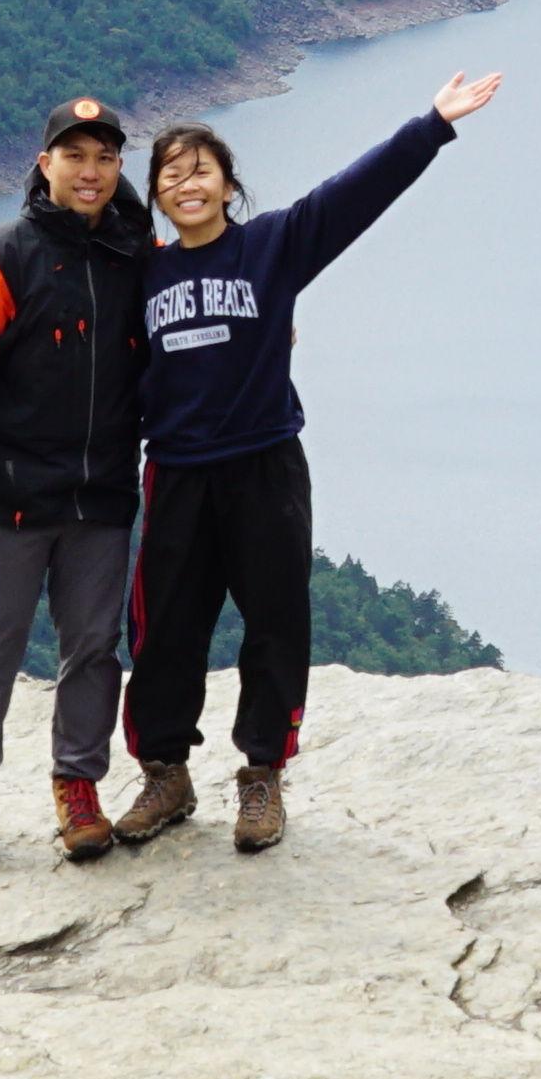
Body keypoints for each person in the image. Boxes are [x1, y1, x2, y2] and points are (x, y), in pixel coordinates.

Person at [118, 66, 502, 849]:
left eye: (203, 172)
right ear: (156, 196)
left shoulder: (273, 247)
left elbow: (354, 194)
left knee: (276, 623)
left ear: (229, 185)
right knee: (164, 633)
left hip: (264, 467)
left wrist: (432, 123)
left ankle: (262, 777)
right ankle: (165, 773)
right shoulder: (140, 275)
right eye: (171, 176)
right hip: (179, 474)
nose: (188, 186)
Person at [0, 93, 151, 878]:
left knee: (93, 647)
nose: (91, 172)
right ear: (44, 163)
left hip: (101, 494)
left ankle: (78, 786)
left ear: (119, 166)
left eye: (105, 157)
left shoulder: (135, 255)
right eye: (75, 156)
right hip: (11, 493)